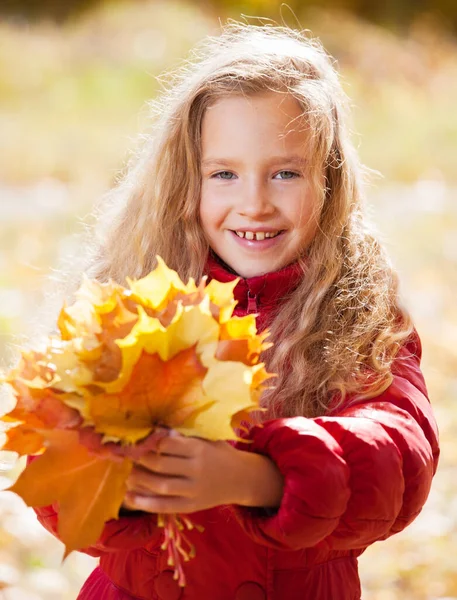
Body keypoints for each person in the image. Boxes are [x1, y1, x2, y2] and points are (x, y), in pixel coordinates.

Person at [32, 21, 439, 600]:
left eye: (285, 173)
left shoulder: (359, 312)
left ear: (329, 181)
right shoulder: (130, 297)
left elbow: (400, 454)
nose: (254, 202)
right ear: (184, 182)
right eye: (224, 174)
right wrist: (123, 478)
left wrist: (263, 477)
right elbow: (54, 470)